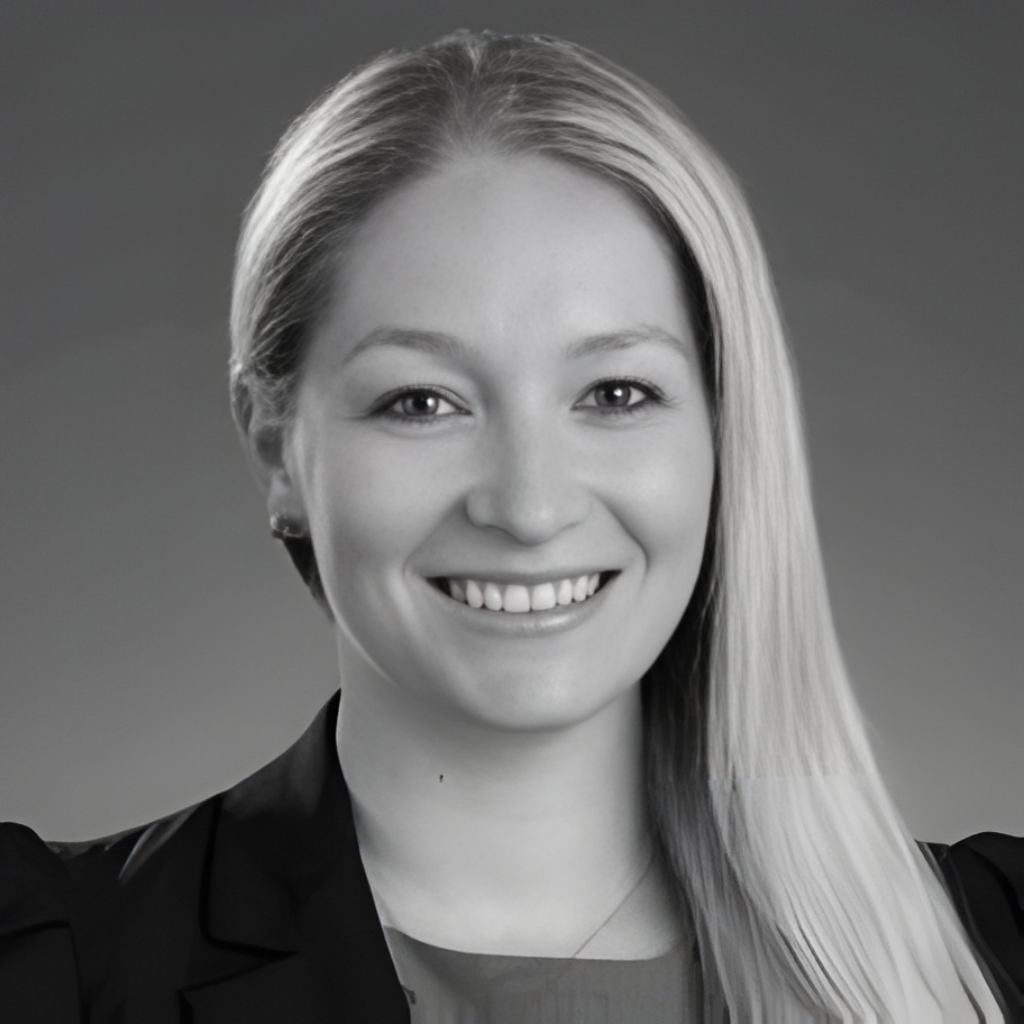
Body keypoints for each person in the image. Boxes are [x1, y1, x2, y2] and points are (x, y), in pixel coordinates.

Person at [1, 28, 1020, 1024]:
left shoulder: (998, 951)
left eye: (616, 393)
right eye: (421, 402)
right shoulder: (48, 970)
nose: (530, 508)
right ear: (277, 452)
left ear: (726, 431)